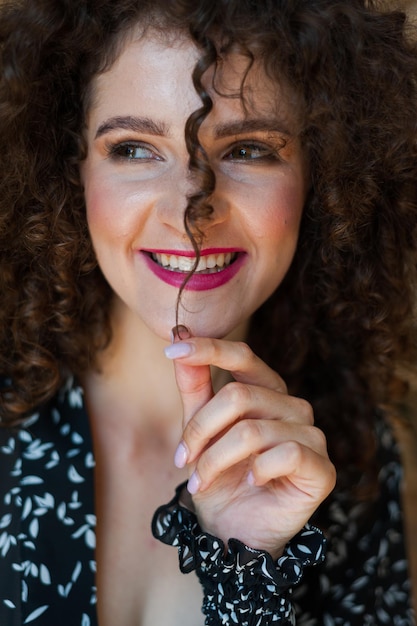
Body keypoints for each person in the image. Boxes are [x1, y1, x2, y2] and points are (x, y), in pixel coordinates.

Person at [0, 0, 416, 624]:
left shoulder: (348, 465)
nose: (191, 210)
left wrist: (250, 572)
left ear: (322, 175)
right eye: (135, 149)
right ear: (70, 170)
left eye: (248, 149)